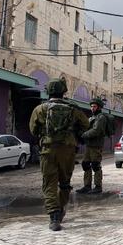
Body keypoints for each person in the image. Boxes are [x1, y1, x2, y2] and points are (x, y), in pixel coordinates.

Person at [29, 78, 89, 231]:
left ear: (48, 91)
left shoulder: (40, 109)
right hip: (68, 150)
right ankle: (60, 209)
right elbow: (86, 125)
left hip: (48, 150)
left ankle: (54, 216)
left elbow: (33, 130)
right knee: (64, 183)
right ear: (64, 91)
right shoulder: (73, 109)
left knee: (49, 183)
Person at [76, 98, 108, 194]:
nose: (92, 108)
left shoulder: (101, 117)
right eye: (91, 106)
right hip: (89, 145)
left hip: (96, 145)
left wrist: (84, 135)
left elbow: (96, 130)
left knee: (95, 165)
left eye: (94, 106)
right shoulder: (91, 118)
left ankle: (98, 186)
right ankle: (87, 186)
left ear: (99, 107)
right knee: (85, 164)